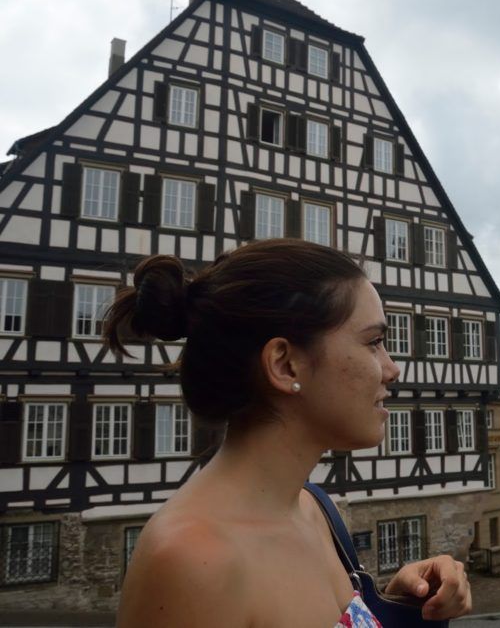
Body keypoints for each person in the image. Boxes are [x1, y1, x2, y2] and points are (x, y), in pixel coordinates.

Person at [108, 240, 473, 628]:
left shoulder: (313, 509)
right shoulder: (192, 561)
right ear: (285, 365)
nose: (392, 369)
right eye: (374, 343)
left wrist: (393, 604)